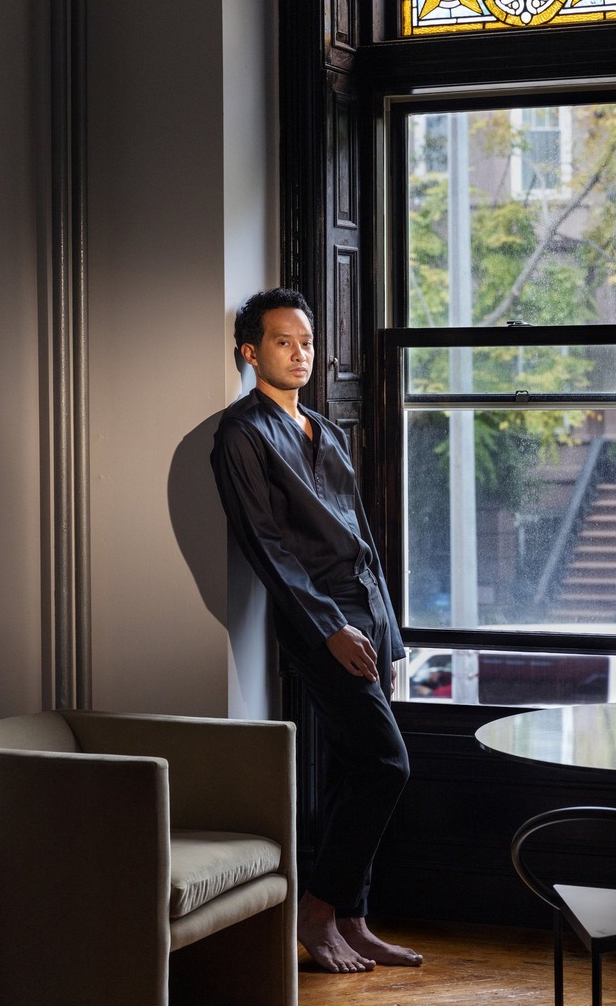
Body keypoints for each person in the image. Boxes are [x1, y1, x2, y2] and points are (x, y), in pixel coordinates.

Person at [211, 287, 423, 974]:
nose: (300, 353)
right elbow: (267, 547)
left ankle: (353, 919)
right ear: (250, 352)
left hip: (364, 615)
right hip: (318, 622)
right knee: (389, 764)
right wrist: (331, 628)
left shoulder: (326, 431)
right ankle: (320, 910)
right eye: (282, 342)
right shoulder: (240, 436)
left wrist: (385, 632)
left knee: (353, 770)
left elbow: (362, 538)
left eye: (305, 341)